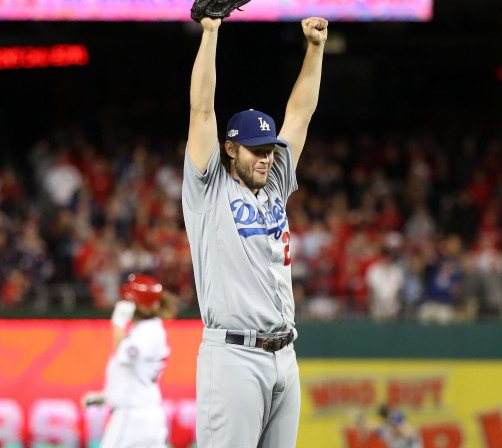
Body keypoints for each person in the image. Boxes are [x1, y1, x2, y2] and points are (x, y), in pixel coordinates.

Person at [182, 14, 328, 448]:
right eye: (256, 151)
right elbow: (201, 108)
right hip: (233, 357)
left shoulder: (275, 186)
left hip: (285, 354)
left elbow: (299, 115)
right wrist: (210, 33)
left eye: (268, 151)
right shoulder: (209, 188)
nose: (265, 158)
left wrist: (316, 49)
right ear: (230, 148)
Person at [81, 274, 178, 448]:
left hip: (133, 418)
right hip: (142, 413)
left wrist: (118, 324)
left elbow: (123, 354)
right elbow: (132, 374)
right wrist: (106, 396)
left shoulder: (148, 331)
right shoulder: (147, 329)